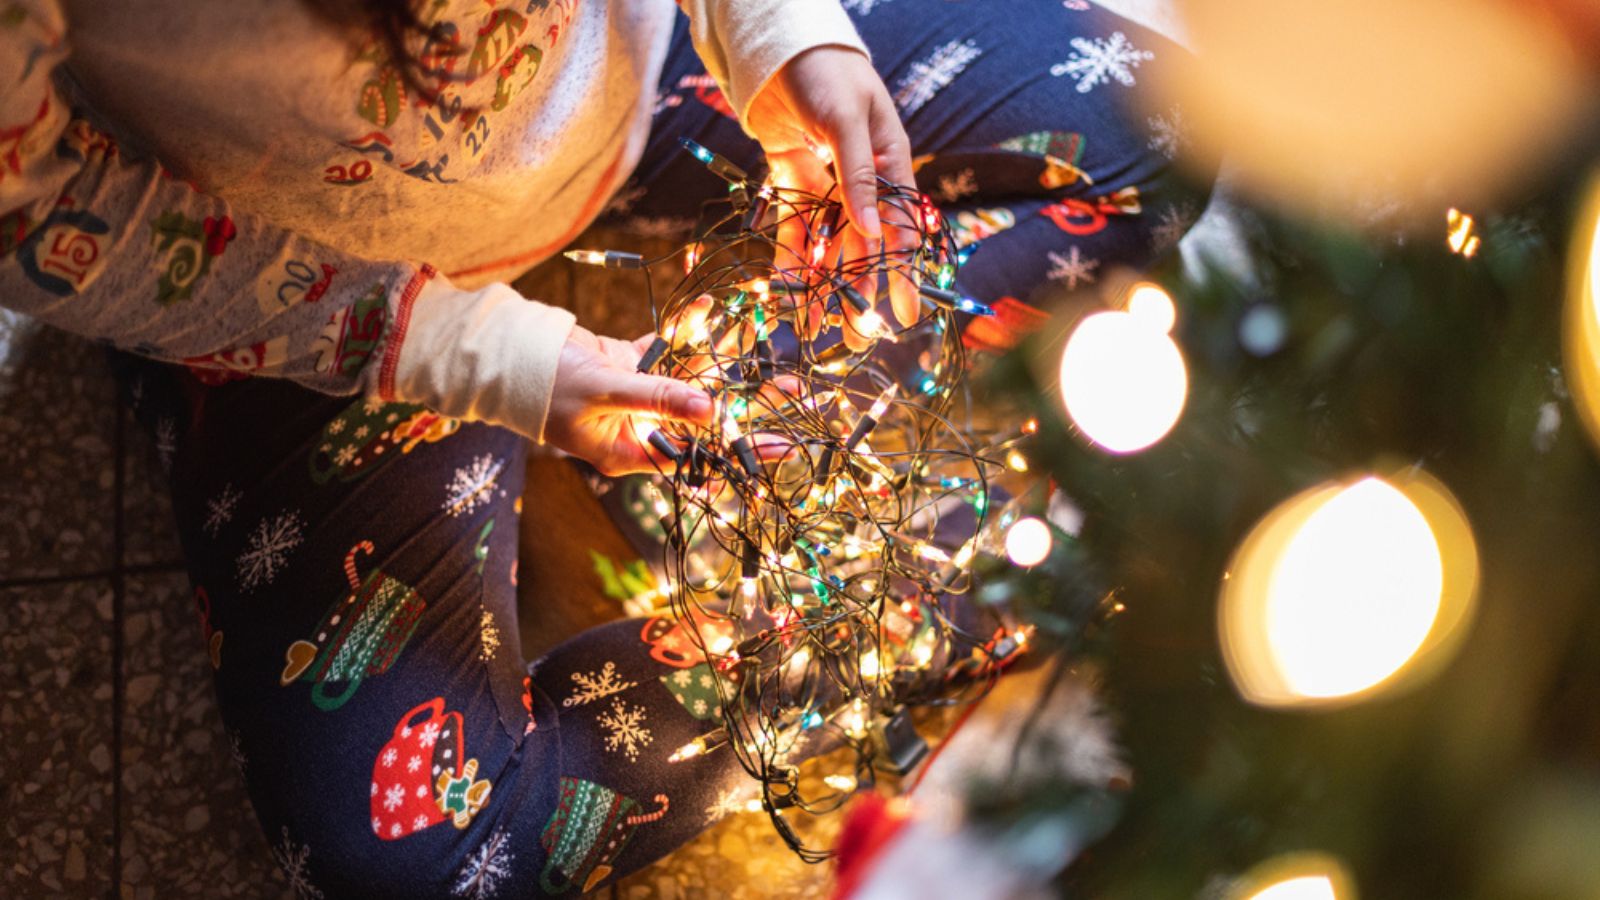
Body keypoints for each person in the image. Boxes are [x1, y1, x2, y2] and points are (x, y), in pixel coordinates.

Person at [0, 0, 1207, 895]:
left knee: (1160, 130)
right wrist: (484, 362)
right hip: (294, 285)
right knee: (423, 862)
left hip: (642, 79)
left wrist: (785, 38)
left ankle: (814, 471)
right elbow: (42, 208)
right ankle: (932, 590)